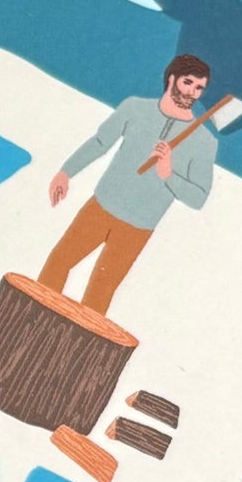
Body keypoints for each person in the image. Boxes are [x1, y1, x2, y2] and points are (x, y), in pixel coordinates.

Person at [40, 53, 216, 316]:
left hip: (138, 226)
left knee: (100, 292)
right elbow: (100, 142)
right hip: (101, 207)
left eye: (199, 88)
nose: (192, 92)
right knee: (58, 263)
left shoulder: (204, 141)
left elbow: (198, 198)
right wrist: (66, 172)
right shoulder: (135, 108)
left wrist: (168, 173)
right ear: (171, 79)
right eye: (188, 82)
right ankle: (30, 324)